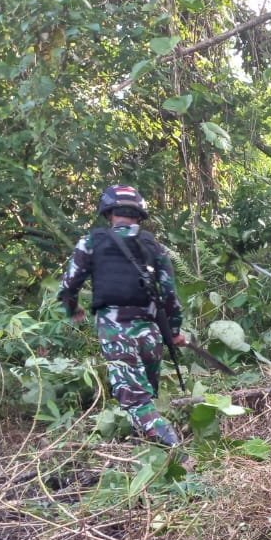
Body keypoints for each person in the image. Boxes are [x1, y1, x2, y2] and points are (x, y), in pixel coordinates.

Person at [57, 185, 185, 447]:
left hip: (116, 331)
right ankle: (149, 453)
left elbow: (68, 286)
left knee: (135, 400)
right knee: (146, 396)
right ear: (139, 215)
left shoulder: (91, 242)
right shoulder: (153, 245)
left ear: (109, 213)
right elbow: (170, 295)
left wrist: (73, 309)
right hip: (150, 333)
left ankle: (178, 454)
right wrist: (174, 331)